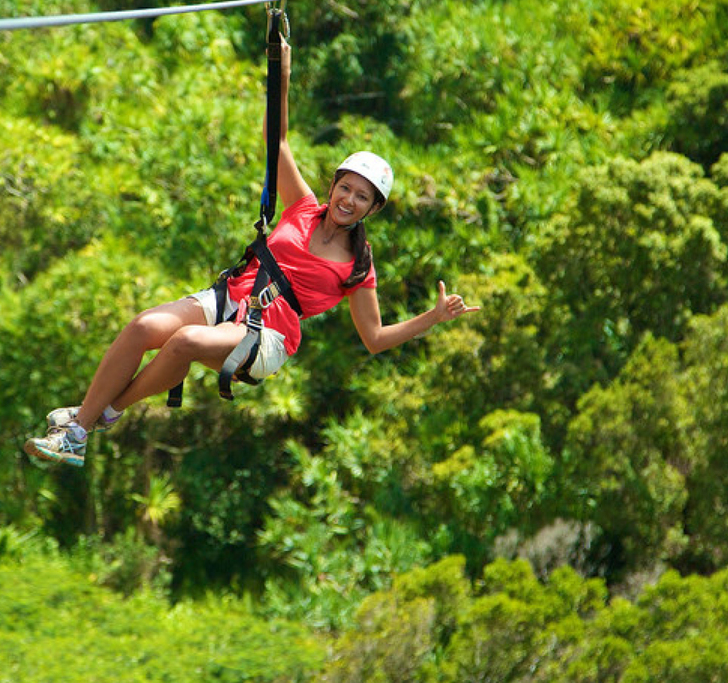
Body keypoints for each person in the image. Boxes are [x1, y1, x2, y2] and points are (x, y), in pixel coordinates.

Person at [25, 37, 479, 467]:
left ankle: (89, 423)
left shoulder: (359, 266)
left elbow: (374, 338)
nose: (349, 200)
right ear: (333, 186)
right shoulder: (303, 208)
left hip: (268, 336)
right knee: (144, 326)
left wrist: (433, 317)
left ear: (373, 209)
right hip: (229, 299)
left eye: (362, 197)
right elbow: (275, 141)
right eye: (346, 188)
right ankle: (87, 421)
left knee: (185, 341)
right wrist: (281, 73)